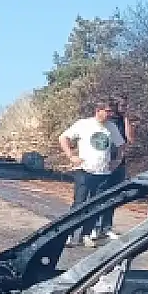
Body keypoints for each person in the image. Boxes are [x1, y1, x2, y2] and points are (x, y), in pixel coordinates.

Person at [59, 101, 125, 245]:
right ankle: (68, 234)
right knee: (79, 203)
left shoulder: (111, 127)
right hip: (84, 170)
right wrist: (71, 156)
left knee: (96, 204)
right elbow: (63, 138)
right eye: (107, 111)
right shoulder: (84, 124)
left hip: (103, 172)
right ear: (98, 110)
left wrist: (117, 161)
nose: (110, 115)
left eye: (111, 112)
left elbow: (121, 145)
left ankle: (86, 235)